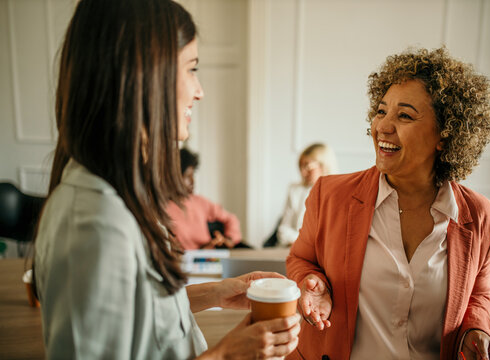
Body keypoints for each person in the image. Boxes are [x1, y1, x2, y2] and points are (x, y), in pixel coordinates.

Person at [33, 0, 300, 358]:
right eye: (191, 69)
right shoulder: (95, 225)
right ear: (143, 77)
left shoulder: (124, 196)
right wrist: (227, 355)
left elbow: (139, 314)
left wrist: (218, 292)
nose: (199, 90)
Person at [286, 47, 490, 360]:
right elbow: (301, 259)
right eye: (381, 111)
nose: (382, 127)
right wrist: (312, 283)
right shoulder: (329, 194)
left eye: (404, 115)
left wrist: (476, 331)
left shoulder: (485, 219)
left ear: (445, 135)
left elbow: (477, 295)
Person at [167, 147, 243, 250]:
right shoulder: (162, 207)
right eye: (187, 176)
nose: (192, 181)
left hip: (208, 259)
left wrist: (229, 239)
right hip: (181, 261)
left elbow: (231, 219)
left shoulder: (200, 202)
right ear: (174, 176)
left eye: (193, 175)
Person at [276, 143, 337, 247]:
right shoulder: (295, 190)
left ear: (323, 166)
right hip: (296, 248)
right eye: (301, 167)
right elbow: (283, 230)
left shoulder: (337, 191)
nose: (303, 172)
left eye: (308, 166)